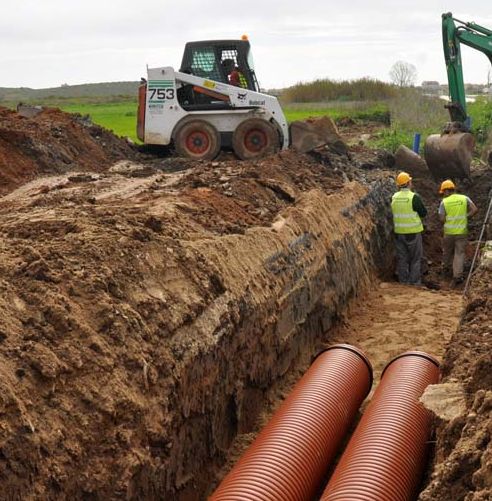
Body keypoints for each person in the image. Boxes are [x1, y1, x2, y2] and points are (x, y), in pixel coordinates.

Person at [438, 179, 478, 285]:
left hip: (449, 232)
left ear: (446, 191)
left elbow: (442, 219)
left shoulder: (444, 202)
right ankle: (457, 276)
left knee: (447, 252)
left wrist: (448, 219)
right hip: (462, 231)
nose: (444, 195)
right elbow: (474, 209)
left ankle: (445, 271)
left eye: (444, 193)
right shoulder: (464, 198)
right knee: (459, 253)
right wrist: (466, 216)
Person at [391, 171, 427, 285]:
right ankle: (414, 283)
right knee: (415, 259)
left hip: (399, 233)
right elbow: (423, 213)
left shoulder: (394, 197)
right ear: (408, 183)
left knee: (402, 259)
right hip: (412, 233)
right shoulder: (413, 197)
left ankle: (403, 282)